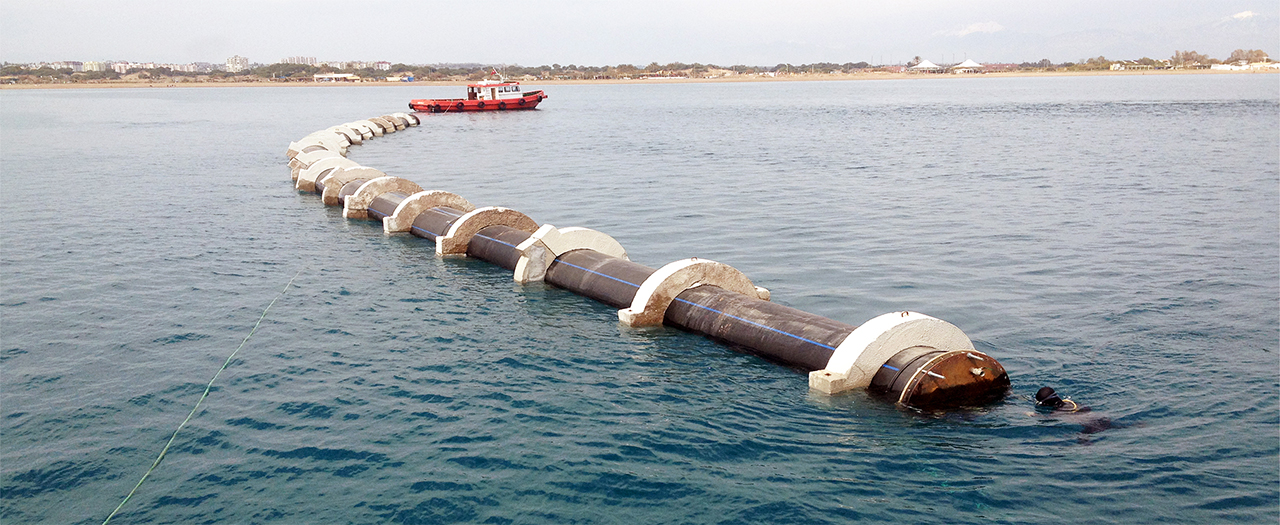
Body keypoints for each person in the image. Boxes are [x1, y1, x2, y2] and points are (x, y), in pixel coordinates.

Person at [1034, 386, 1116, 436]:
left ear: (1046, 403)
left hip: (1091, 427)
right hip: (1103, 418)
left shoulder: (1056, 414)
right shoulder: (1072, 403)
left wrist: (1034, 415)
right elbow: (1088, 409)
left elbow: (1048, 421)